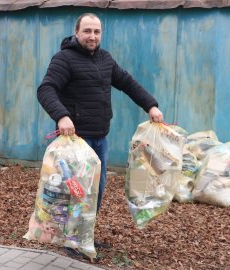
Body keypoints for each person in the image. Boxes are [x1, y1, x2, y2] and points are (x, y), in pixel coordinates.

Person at [37, 13, 163, 251]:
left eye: (96, 32)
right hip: (76, 142)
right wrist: (61, 116)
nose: (92, 36)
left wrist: (151, 105)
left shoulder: (105, 59)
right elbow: (46, 89)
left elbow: (127, 82)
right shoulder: (64, 59)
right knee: (76, 193)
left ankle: (84, 236)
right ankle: (72, 243)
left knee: (95, 192)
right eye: (87, 31)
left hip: (99, 139)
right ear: (77, 32)